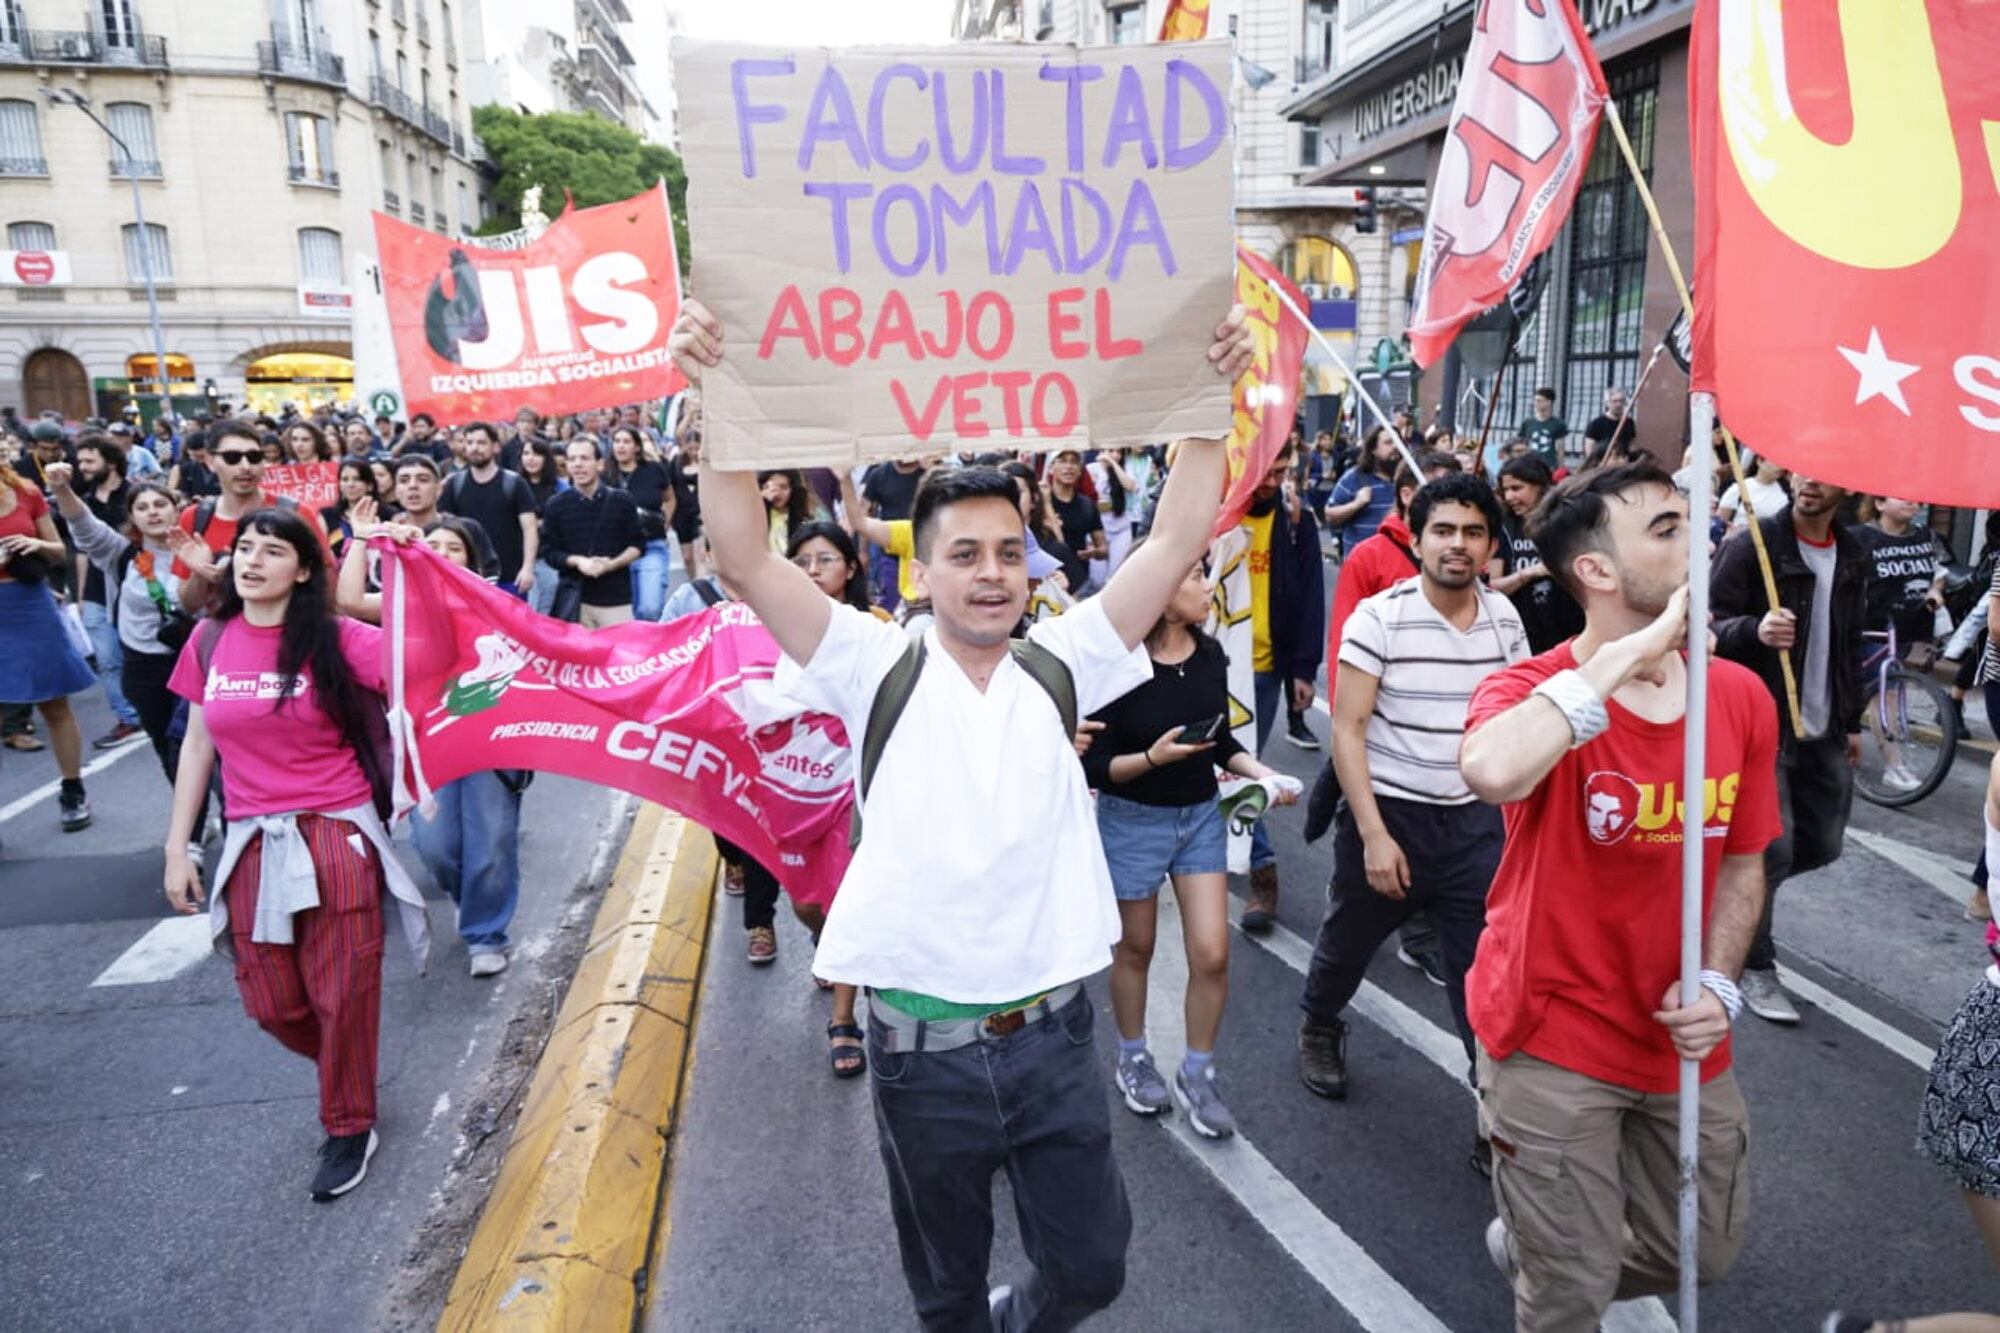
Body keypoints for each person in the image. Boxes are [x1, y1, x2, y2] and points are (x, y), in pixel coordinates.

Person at [668, 294, 1253, 1332]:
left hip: (1055, 1045)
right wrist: (717, 392)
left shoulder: (1065, 659)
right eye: (963, 554)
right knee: (942, 1296)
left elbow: (1172, 537)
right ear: (921, 567)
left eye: (1006, 552)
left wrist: (1206, 396)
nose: (990, 574)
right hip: (916, 1055)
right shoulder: (866, 660)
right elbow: (744, 557)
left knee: (1088, 1275)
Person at [1457, 459, 1779, 1332]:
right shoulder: (1529, 691)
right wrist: (1630, 654)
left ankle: (1543, 1247)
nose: (1699, 541)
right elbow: (1490, 768)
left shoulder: (1740, 698)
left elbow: (1746, 862)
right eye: (1668, 530)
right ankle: (1558, 1261)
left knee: (1699, 1252)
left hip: (1680, 1044)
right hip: (1550, 1036)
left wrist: (1716, 983)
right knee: (1569, 1297)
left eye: (1692, 521)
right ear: (1595, 571)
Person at [161, 505, 424, 1203]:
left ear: (304, 568)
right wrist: (178, 846)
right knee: (273, 1002)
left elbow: (426, 663)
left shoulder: (339, 639)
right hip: (251, 838)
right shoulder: (211, 638)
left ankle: (348, 1123)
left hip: (336, 831)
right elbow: (196, 744)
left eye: (271, 550)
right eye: (244, 547)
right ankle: (349, 1063)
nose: (250, 560)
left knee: (343, 990)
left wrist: (403, 559)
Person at [1299, 475, 1526, 1172]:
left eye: (1474, 532)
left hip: (1473, 829)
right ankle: (1319, 1022)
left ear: (1491, 545)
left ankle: (1492, 1111)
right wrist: (1371, 833)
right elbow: (1348, 729)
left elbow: (1516, 725)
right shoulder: (1380, 617)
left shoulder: (1504, 622)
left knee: (1480, 976)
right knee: (1347, 941)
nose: (1459, 545)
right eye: (1445, 530)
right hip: (1389, 815)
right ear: (1416, 535)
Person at [1088, 553, 1298, 1138]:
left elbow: (1220, 735)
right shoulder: (1116, 665)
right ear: (1157, 588)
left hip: (1200, 817)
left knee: (1212, 953)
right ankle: (1133, 1057)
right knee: (1136, 949)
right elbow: (1096, 766)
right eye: (1197, 576)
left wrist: (1262, 774)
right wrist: (1151, 759)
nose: (1209, 587)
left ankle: (1198, 1073)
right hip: (1130, 821)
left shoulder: (1208, 654)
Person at [338, 509, 523, 979]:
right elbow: (350, 601)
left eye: (453, 548)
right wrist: (362, 539)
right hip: (427, 745)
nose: (440, 554)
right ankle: (469, 898)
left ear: (473, 563)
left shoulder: (493, 601)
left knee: (491, 840)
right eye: (433, 546)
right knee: (435, 845)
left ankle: (486, 933)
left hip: (488, 743)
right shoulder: (404, 604)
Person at [1712, 475, 1865, 1025]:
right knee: (1771, 853)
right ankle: (1756, 965)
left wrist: (1853, 721)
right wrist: (1753, 629)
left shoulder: (1852, 551)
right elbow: (1706, 626)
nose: (1809, 484)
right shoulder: (1753, 543)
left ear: (1845, 489)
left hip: (1823, 722)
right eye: (1802, 472)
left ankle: (1733, 893)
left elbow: (1850, 639)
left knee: (1822, 843)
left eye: (1824, 478)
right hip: (1764, 723)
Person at [47, 463, 205, 837]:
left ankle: (231, 819)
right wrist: (61, 489)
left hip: (199, 663)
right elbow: (83, 526)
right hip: (146, 667)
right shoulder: (121, 554)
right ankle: (193, 833)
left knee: (216, 749)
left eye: (160, 504)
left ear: (175, 507)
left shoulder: (202, 550)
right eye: (142, 507)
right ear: (132, 517)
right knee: (171, 749)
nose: (152, 512)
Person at [1237, 440, 1327, 932]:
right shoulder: (1213, 512)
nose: (1271, 481)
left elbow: (1313, 593)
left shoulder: (1295, 520)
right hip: (1205, 663)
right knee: (1204, 763)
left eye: (1282, 470)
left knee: (1243, 765)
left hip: (1265, 667)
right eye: (1263, 470)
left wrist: (1303, 669)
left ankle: (1262, 870)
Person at [0, 452, 95, 830]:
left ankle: (73, 790)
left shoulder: (25, 491)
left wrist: (31, 543)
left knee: (55, 705)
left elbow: (59, 550)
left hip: (29, 604)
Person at [168, 419, 331, 612]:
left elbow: (326, 584)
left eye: (254, 457)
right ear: (210, 462)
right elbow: (190, 605)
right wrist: (201, 573)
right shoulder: (194, 518)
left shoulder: (296, 513)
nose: (245, 466)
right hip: (224, 636)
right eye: (232, 457)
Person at [70, 435, 147, 749]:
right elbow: (81, 552)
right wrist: (81, 593)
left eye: (90, 461)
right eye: (81, 461)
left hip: (134, 588)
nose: (83, 467)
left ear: (110, 462)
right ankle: (128, 718)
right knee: (107, 659)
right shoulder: (82, 501)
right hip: (96, 592)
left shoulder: (136, 495)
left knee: (139, 654)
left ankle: (154, 709)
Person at [541, 436, 643, 628]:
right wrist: (579, 561)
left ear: (600, 464)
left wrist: (610, 565)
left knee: (622, 656)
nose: (578, 465)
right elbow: (550, 553)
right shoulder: (555, 505)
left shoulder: (621, 500)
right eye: (572, 459)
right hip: (575, 600)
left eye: (584, 458)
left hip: (615, 599)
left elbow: (637, 545)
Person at [1490, 454, 1586, 654]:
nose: (1509, 497)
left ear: (1540, 485)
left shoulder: (1565, 523)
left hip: (1568, 629)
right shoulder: (1504, 527)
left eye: (1517, 488)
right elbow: (1494, 586)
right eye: (1505, 490)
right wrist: (1531, 573)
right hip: (1522, 632)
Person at [439, 421, 541, 602]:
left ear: (495, 447)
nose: (474, 448)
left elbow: (530, 529)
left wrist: (527, 568)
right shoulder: (455, 484)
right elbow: (444, 527)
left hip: (511, 577)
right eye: (469, 442)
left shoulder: (514, 483)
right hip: (469, 578)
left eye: (481, 442)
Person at [604, 424, 674, 619]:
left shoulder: (653, 469)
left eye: (626, 441)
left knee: (650, 608)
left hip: (651, 545)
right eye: (617, 441)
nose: (620, 446)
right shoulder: (605, 475)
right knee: (629, 613)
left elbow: (669, 498)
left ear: (636, 447)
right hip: (617, 551)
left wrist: (665, 522)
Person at [1324, 425, 1402, 557]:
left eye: (1398, 442)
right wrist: (1356, 504)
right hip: (1361, 564)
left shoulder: (1407, 479)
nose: (1395, 446)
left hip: (1396, 564)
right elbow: (1330, 516)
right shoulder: (1354, 477)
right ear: (1373, 449)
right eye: (1388, 442)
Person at [1045, 448, 1107, 591]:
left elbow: (1103, 548)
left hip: (1079, 576)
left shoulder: (1087, 505)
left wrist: (1093, 553)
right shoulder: (1041, 502)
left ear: (1080, 470)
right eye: (1062, 461)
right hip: (1050, 575)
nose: (1068, 466)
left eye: (1074, 462)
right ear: (1051, 468)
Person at [321, 460, 380, 560]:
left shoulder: (386, 514)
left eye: (357, 479)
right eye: (345, 479)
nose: (350, 484)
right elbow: (322, 549)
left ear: (370, 486)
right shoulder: (327, 515)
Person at [1716, 454, 1789, 532]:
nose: (1780, 467)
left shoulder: (1786, 493)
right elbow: (1719, 522)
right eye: (1776, 461)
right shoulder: (1740, 488)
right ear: (1759, 461)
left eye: (1782, 462)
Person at [757, 467, 817, 555]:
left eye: (784, 487)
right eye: (771, 488)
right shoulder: (757, 515)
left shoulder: (804, 521)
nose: (777, 493)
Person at [1516, 387, 1568, 467]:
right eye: (1535, 400)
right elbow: (1520, 444)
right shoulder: (1527, 423)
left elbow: (1560, 449)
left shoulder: (1558, 424)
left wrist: (1560, 468)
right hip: (1529, 465)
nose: (1535, 403)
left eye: (1539, 400)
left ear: (1548, 402)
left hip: (1549, 466)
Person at [1582, 386, 1634, 453]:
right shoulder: (1596, 424)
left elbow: (1632, 445)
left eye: (1621, 401)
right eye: (1615, 401)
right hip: (1603, 462)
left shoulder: (1629, 422)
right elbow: (1589, 450)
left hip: (1623, 461)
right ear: (1607, 403)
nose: (1619, 404)